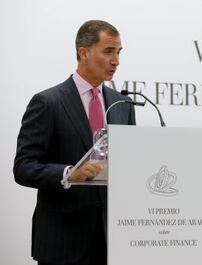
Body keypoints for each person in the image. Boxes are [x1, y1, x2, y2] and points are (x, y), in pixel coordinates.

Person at [13, 20, 135, 265]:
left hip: (112, 241)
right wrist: (69, 173)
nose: (116, 60)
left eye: (119, 52)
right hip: (63, 241)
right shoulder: (48, 102)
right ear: (84, 53)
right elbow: (24, 168)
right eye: (109, 51)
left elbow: (128, 163)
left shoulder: (123, 105)